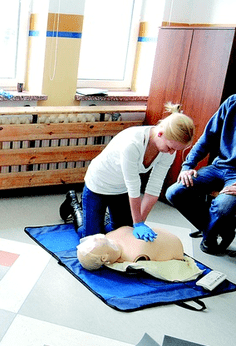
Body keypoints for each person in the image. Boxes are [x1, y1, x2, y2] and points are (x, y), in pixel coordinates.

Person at [60, 103, 194, 241]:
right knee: (93, 240)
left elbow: (154, 187)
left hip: (120, 189)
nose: (172, 152)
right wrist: (138, 223)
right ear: (160, 134)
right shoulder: (133, 143)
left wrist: (139, 223)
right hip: (98, 186)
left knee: (124, 236)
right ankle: (74, 205)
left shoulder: (168, 151)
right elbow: (134, 188)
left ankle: (99, 220)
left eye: (176, 150)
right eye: (170, 147)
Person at [166, 94, 236, 255]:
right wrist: (187, 166)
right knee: (175, 192)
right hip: (219, 167)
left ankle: (210, 237)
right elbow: (207, 139)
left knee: (223, 208)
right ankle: (221, 229)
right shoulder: (233, 102)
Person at [76, 226, 202, 282]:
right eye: (93, 243)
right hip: (174, 246)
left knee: (85, 228)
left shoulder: (110, 237)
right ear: (104, 258)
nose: (94, 238)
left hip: (169, 240)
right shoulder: (134, 255)